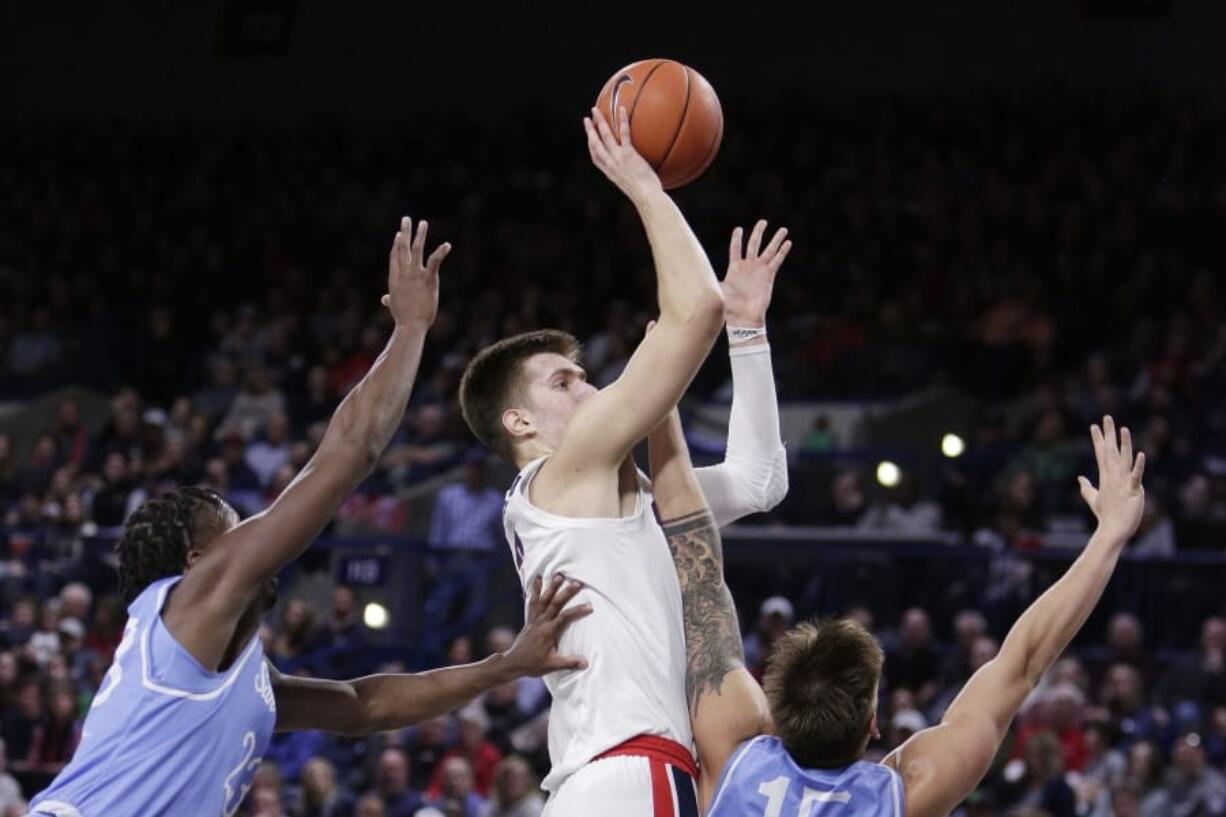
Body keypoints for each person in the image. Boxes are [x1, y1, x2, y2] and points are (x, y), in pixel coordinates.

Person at [28, 218, 590, 817]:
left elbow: (363, 706)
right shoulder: (188, 605)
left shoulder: (234, 670)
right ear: (198, 562)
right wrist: (410, 328)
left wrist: (504, 667)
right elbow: (348, 455)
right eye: (232, 527)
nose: (252, 532)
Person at [458, 107, 791, 815]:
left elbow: (761, 480)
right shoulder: (561, 475)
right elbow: (693, 305)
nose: (588, 385)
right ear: (519, 422)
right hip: (632, 772)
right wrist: (645, 184)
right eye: (563, 381)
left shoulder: (608, 498)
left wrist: (749, 332)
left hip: (598, 779)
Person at [653, 414, 1146, 816]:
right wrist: (1109, 536)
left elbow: (698, 574)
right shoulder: (908, 794)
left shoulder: (732, 749)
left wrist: (660, 392)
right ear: (873, 722)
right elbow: (1022, 663)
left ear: (774, 711)